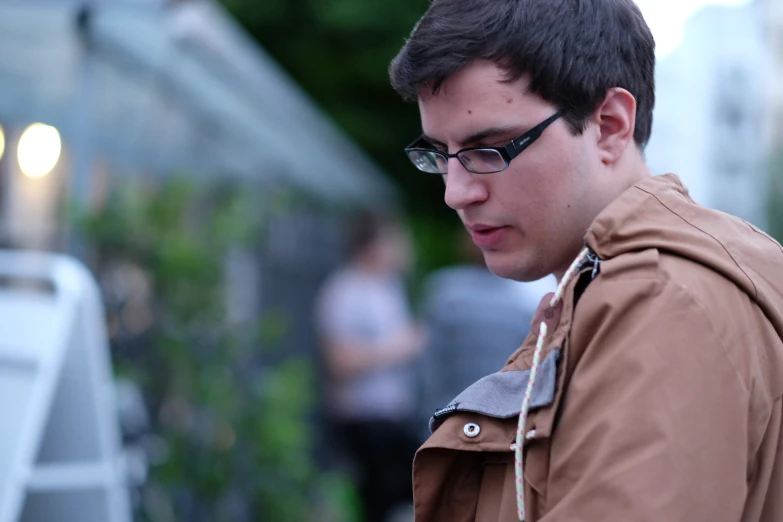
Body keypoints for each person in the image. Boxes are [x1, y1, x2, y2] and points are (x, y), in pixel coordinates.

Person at [388, 1, 783, 521]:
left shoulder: (663, 305)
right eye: (441, 154)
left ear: (611, 125)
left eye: (491, 149)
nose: (456, 193)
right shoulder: (620, 286)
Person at [314, 212, 424, 522]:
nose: (405, 248)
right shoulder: (345, 292)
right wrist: (398, 349)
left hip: (393, 414)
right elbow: (340, 362)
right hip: (362, 417)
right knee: (377, 502)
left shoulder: (389, 287)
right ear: (373, 245)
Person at [417, 232, 555, 440]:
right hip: (499, 410)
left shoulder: (444, 290)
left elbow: (427, 359)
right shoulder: (522, 300)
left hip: (447, 406)